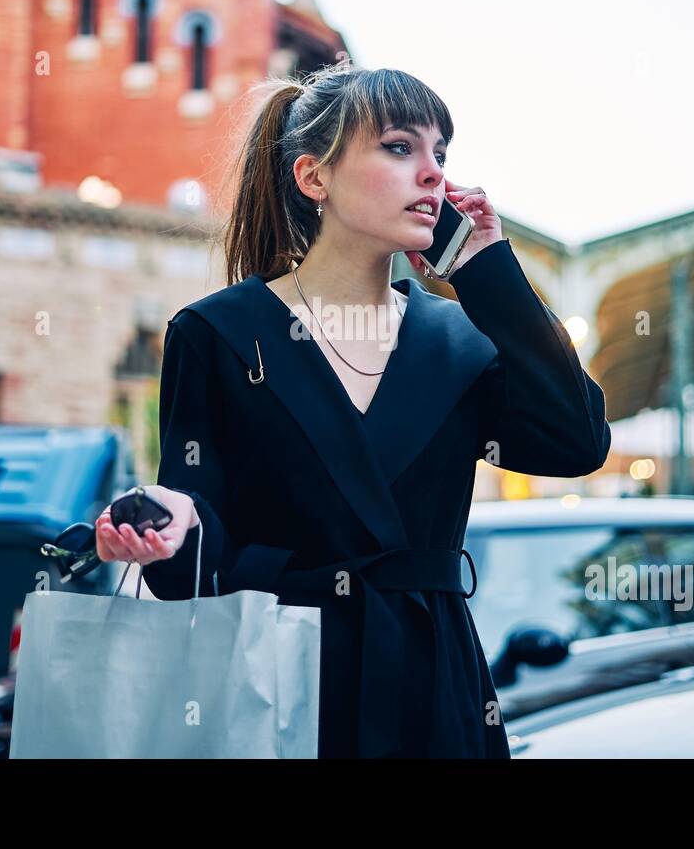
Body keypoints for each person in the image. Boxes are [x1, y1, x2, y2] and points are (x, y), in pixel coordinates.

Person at [94, 59, 612, 758]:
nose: (432, 172)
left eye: (440, 153)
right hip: (278, 691)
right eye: (399, 147)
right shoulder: (217, 333)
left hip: (434, 695)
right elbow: (200, 553)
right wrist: (171, 528)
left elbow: (576, 442)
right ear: (315, 177)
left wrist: (489, 268)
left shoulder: (459, 340)